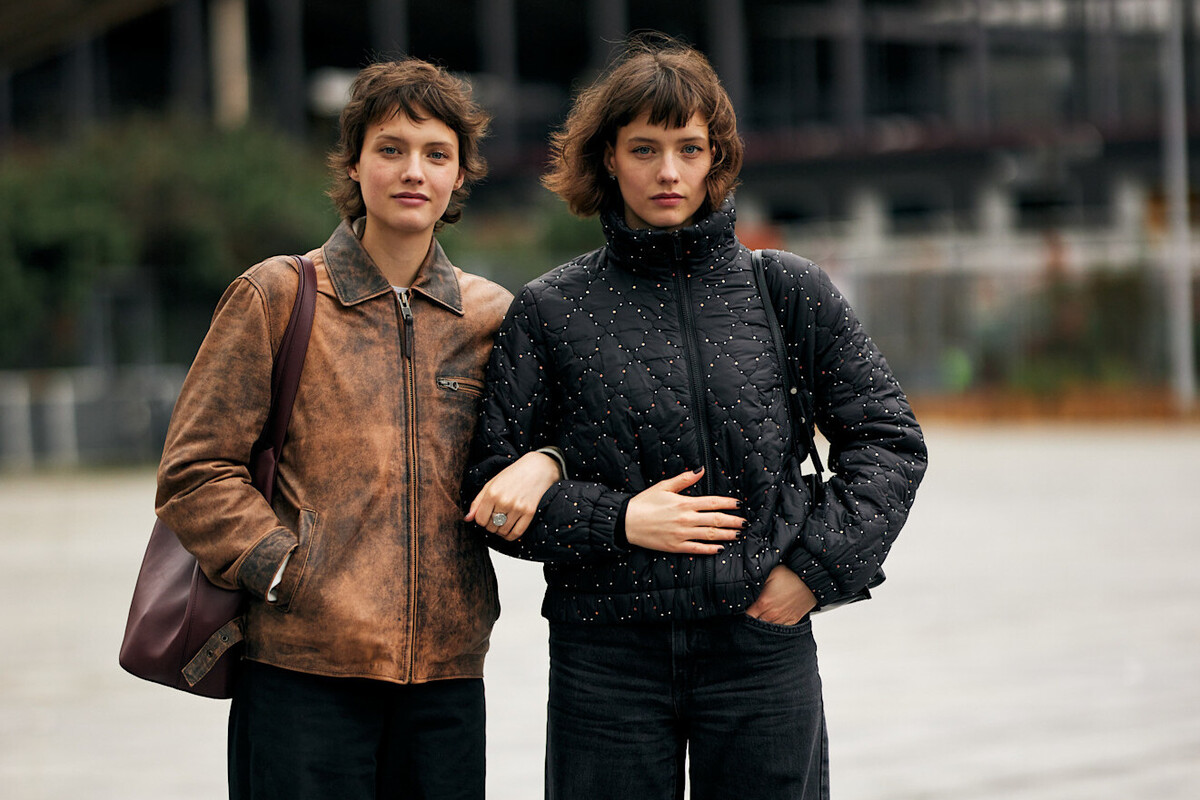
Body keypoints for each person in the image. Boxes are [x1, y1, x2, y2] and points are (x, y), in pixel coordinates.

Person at [465, 34, 928, 799]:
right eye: (644, 149)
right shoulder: (550, 310)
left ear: (717, 157)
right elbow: (488, 495)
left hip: (760, 645)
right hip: (605, 659)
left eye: (689, 148)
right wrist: (618, 520)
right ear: (609, 158)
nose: (669, 172)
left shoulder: (787, 291)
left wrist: (812, 574)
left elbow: (889, 442)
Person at [156, 58, 561, 800]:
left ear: (460, 175)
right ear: (353, 163)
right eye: (391, 149)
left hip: (445, 680)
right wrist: (284, 569)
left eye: (436, 154)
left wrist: (550, 460)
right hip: (299, 674)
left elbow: (557, 439)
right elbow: (194, 472)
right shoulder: (277, 295)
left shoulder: (491, 317)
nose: (413, 171)